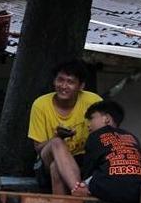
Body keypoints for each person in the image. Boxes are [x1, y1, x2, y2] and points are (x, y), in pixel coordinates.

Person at [32, 100, 141, 203]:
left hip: (108, 187)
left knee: (80, 189)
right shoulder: (132, 137)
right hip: (136, 191)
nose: (88, 125)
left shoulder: (96, 137)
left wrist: (79, 187)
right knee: (58, 169)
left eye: (91, 119)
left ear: (106, 119)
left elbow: (88, 172)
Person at [28, 59, 102, 191]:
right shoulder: (40, 105)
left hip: (83, 159)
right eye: (60, 80)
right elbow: (38, 148)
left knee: (56, 168)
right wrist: (58, 136)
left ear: (81, 86)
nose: (63, 86)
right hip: (47, 159)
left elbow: (104, 134)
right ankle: (79, 191)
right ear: (54, 81)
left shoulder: (93, 101)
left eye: (70, 82)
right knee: (56, 143)